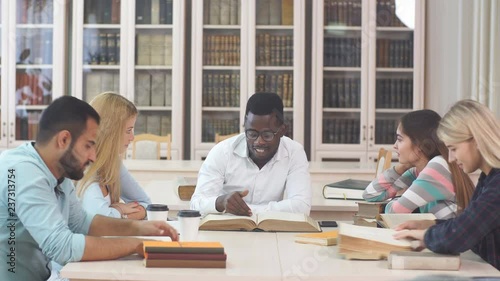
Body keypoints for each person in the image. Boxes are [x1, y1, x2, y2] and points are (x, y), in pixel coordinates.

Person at [0, 96, 178, 281]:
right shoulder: (21, 171)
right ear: (63, 140)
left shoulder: (57, 170)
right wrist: (135, 244)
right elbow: (62, 247)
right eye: (88, 146)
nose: (93, 156)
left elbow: (82, 223)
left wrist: (139, 228)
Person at [394, 100, 500, 270]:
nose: (450, 158)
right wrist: (431, 225)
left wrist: (426, 236)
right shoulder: (489, 177)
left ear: (476, 141)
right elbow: (470, 222)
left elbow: (460, 236)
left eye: (454, 148)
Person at [190, 92, 311, 216]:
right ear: (245, 127)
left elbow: (302, 207)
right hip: (226, 231)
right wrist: (221, 202)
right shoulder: (223, 152)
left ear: (282, 130)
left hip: (271, 232)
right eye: (252, 134)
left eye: (267, 135)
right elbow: (195, 205)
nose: (259, 142)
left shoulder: (294, 152)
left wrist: (248, 210)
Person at [363, 109, 475, 219]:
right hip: (440, 234)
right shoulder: (417, 171)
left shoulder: (437, 167)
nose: (395, 145)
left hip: (453, 236)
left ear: (419, 144)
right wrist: (401, 168)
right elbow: (371, 194)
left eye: (400, 139)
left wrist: (399, 199)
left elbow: (394, 212)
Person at [77, 92, 151, 220]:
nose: (132, 137)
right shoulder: (85, 169)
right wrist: (121, 209)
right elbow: (102, 220)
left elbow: (147, 204)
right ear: (110, 132)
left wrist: (116, 214)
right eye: (128, 131)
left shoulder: (113, 164)